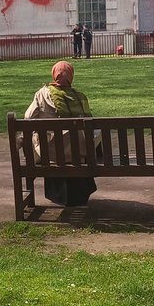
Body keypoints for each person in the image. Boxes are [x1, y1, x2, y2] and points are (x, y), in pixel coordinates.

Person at [24, 61, 96, 207]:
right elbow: (90, 122)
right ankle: (79, 193)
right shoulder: (80, 97)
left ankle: (56, 193)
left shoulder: (42, 94)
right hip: (79, 155)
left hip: (49, 153)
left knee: (36, 135)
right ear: (71, 76)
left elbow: (28, 118)